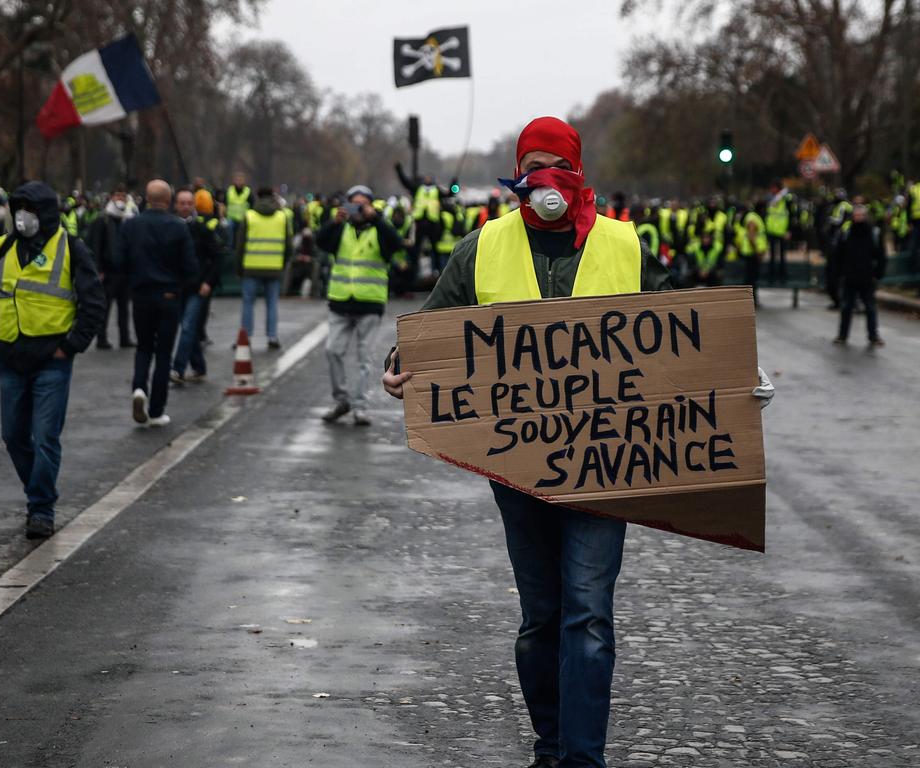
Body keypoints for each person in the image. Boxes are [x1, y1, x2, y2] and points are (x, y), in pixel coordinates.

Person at [382, 116, 774, 768]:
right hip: (516, 466)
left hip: (606, 467)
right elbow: (431, 332)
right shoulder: (479, 250)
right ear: (516, 176)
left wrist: (739, 372)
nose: (543, 177)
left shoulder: (626, 246)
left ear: (577, 173)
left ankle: (581, 761)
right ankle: (550, 747)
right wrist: (398, 365)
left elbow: (686, 331)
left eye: (553, 162)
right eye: (530, 163)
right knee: (541, 619)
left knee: (587, 617)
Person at [0, 181, 106, 538]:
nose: (22, 216)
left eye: (29, 209)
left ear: (46, 213)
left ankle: (41, 508)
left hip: (52, 359)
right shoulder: (1, 248)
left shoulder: (71, 247)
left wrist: (71, 345)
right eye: (18, 208)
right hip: (9, 357)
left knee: (45, 436)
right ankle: (39, 493)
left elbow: (93, 301)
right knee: (13, 435)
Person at [316, 184, 402, 426]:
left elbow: (395, 245)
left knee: (364, 358)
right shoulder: (340, 229)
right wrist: (334, 222)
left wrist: (378, 220)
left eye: (363, 204)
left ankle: (360, 406)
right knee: (333, 350)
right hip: (341, 301)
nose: (358, 209)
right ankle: (341, 400)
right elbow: (320, 242)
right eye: (354, 204)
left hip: (369, 303)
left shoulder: (379, 230)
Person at [117, 179, 197, 427]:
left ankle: (139, 387)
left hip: (141, 294)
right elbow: (190, 266)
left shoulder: (131, 226)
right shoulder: (178, 227)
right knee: (163, 353)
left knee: (143, 347)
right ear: (169, 199)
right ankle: (156, 409)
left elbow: (119, 259)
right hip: (169, 295)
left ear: (147, 198)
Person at [171, 188, 222, 383]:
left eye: (188, 203)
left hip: (197, 287)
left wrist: (209, 282)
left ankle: (178, 369)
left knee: (188, 327)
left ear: (194, 206)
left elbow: (217, 257)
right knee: (187, 329)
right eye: (181, 203)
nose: (185, 207)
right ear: (176, 205)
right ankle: (199, 366)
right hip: (176, 287)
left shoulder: (202, 230)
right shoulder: (171, 228)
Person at [235, 186, 292, 349]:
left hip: (251, 267)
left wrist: (239, 268)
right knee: (272, 303)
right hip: (274, 267)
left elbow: (240, 246)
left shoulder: (249, 216)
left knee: (248, 303)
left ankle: (246, 337)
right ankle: (272, 336)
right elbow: (288, 245)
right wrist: (282, 263)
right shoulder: (281, 216)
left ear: (257, 196)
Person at [88, 184, 137, 349]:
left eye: (123, 196)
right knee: (105, 307)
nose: (120, 200)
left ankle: (125, 338)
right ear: (111, 197)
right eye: (117, 196)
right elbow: (95, 246)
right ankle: (101, 338)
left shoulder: (127, 220)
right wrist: (98, 269)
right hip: (108, 271)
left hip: (123, 271)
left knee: (124, 307)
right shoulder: (102, 220)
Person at [833, 204, 885, 347]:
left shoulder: (873, 233)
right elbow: (839, 254)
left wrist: (878, 274)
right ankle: (843, 335)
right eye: (856, 216)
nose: (859, 218)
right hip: (850, 276)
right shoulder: (847, 232)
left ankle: (873, 336)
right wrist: (840, 273)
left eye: (861, 215)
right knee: (846, 308)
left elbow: (881, 255)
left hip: (867, 276)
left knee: (870, 308)